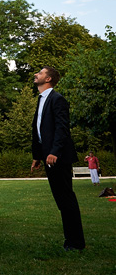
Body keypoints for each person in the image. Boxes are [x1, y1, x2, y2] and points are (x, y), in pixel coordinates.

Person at [31, 66, 85, 251]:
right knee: (61, 200)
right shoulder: (41, 100)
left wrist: (54, 152)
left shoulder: (57, 99)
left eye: (40, 72)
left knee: (66, 199)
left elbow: (62, 128)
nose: (36, 74)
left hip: (58, 157)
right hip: (48, 157)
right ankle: (70, 240)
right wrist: (38, 156)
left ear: (48, 79)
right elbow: (40, 130)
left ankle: (76, 243)